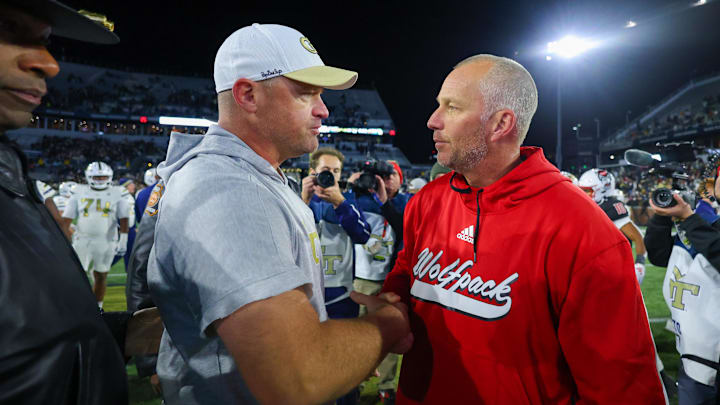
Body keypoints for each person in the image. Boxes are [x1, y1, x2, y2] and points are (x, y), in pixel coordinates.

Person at [147, 23, 412, 405]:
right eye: (306, 93)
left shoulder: (256, 176)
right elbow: (297, 377)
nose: (323, 110)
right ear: (248, 95)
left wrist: (348, 347)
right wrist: (387, 326)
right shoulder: (228, 189)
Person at [381, 54, 666, 404]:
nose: (432, 120)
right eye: (438, 105)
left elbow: (622, 389)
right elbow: (407, 268)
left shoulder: (584, 231)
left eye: (451, 107)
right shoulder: (428, 200)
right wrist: (393, 301)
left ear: (501, 124)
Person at [0, 1, 161, 403]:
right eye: (7, 28)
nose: (50, 65)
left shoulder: (12, 173)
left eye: (45, 41)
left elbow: (23, 337)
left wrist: (119, 333)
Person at [302, 147, 372, 405]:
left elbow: (364, 235)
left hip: (341, 295)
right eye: (324, 171)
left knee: (343, 368)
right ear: (312, 173)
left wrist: (340, 202)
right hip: (307, 297)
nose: (330, 176)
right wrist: (304, 200)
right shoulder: (299, 202)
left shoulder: (348, 202)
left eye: (335, 171)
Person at [645, 165, 720, 405]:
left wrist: (689, 219)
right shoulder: (705, 221)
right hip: (693, 356)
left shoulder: (699, 222)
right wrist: (661, 217)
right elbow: (659, 255)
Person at [348, 160, 411, 403]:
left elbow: (404, 225)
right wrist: (350, 187)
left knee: (391, 335)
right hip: (360, 278)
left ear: (400, 177)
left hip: (389, 278)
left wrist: (384, 201)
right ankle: (353, 381)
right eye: (379, 176)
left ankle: (386, 386)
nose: (385, 180)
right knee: (357, 334)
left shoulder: (407, 202)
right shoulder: (360, 199)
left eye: (390, 174)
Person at [62, 161, 130, 308]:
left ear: (110, 177)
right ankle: (73, 305)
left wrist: (123, 240)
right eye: (97, 177)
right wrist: (63, 241)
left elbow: (124, 218)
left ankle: (98, 307)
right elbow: (66, 219)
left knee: (101, 275)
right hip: (82, 239)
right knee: (76, 275)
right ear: (89, 176)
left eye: (103, 177)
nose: (100, 180)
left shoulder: (118, 192)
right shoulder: (78, 191)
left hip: (107, 240)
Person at [578, 168, 648, 283]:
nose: (582, 194)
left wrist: (640, 265)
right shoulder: (585, 206)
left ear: (602, 190)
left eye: (587, 191)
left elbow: (638, 237)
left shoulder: (612, 208)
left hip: (611, 269)